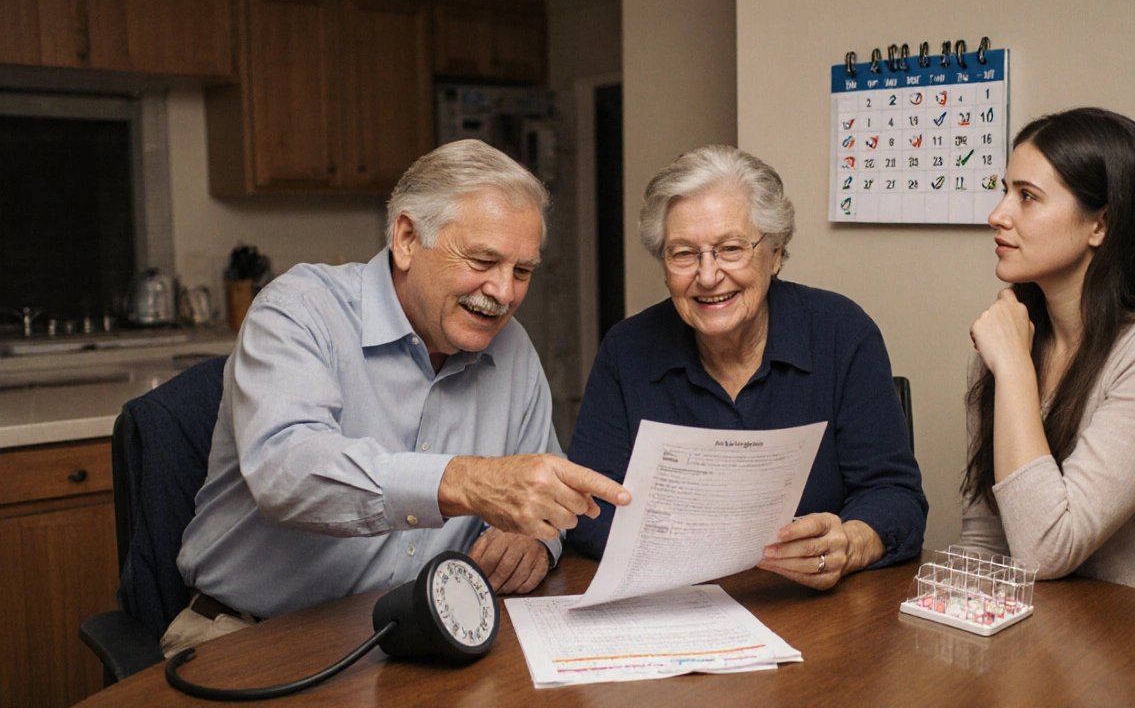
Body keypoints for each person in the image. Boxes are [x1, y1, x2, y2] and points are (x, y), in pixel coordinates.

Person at [164, 140, 630, 656]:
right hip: (249, 636)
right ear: (407, 238)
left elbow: (540, 490)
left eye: (522, 271)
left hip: (419, 638)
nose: (503, 292)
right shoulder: (298, 311)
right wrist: (467, 482)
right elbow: (286, 472)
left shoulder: (513, 348)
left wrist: (534, 537)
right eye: (483, 260)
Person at [566, 145, 927, 589]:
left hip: (815, 612)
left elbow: (897, 499)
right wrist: (697, 554)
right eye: (683, 253)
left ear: (774, 253)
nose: (708, 274)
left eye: (730, 248)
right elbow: (585, 508)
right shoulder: (627, 351)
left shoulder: (842, 334)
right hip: (672, 606)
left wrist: (848, 544)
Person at [960, 107, 1135, 615]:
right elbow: (986, 539)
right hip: (1054, 642)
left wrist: (1013, 370)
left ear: (1100, 224)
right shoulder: (1013, 337)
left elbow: (1047, 548)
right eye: (1004, 191)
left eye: (1027, 197)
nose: (998, 215)